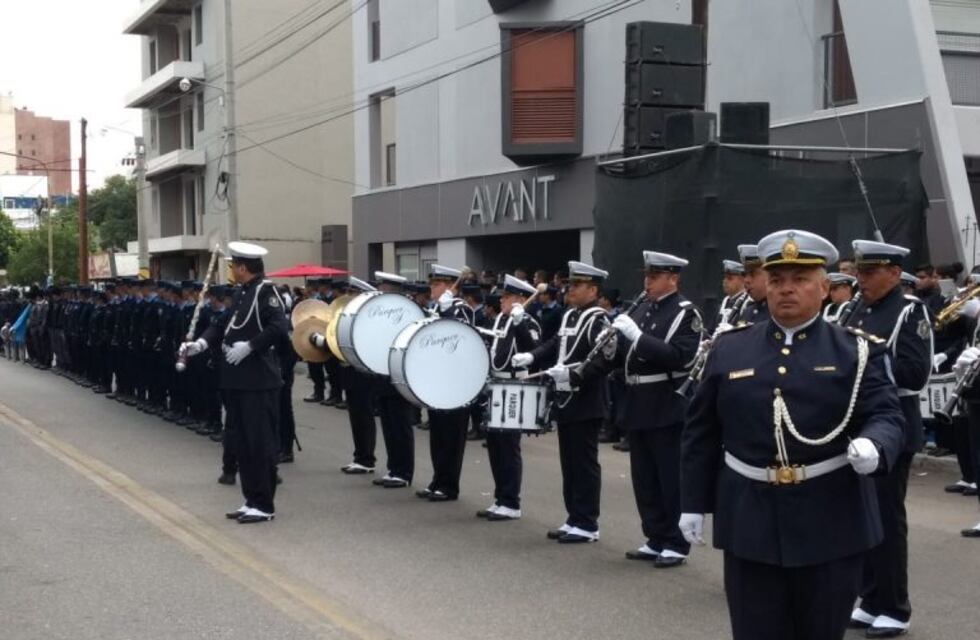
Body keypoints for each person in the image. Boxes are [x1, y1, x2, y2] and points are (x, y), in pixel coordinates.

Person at [680, 229, 905, 640]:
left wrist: (875, 444)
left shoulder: (856, 351)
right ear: (765, 286)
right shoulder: (728, 348)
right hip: (749, 519)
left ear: (825, 287)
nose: (787, 289)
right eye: (777, 279)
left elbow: (887, 413)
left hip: (830, 519)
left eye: (800, 279)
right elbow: (702, 432)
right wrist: (693, 502)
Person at [843, 239, 932, 638]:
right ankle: (870, 597)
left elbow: (915, 373)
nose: (860, 280)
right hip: (855, 424)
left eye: (869, 272)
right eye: (859, 272)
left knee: (887, 519)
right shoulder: (856, 308)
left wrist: (866, 365)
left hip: (891, 425)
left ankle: (895, 606)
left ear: (894, 274)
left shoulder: (909, 311)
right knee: (861, 516)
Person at [179, 241, 289, 524]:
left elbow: (279, 327)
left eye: (234, 266)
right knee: (242, 443)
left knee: (259, 443)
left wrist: (251, 346)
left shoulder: (267, 293)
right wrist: (201, 344)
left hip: (258, 380)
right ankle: (251, 499)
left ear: (243, 267)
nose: (232, 271)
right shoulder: (241, 293)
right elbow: (221, 324)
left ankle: (264, 504)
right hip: (237, 380)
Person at [611, 251, 703, 568]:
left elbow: (681, 357)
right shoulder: (642, 308)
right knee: (645, 478)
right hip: (638, 402)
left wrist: (638, 337)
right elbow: (625, 354)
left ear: (673, 279)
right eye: (646, 276)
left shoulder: (685, 313)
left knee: (669, 477)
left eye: (654, 276)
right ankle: (655, 536)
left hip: (665, 403)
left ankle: (676, 542)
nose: (647, 282)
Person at [513, 261, 614, 543]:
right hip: (566, 398)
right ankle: (574, 517)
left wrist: (574, 375)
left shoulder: (599, 319)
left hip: (587, 399)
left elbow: (604, 360)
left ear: (593, 290)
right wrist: (533, 356)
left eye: (577, 285)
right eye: (570, 284)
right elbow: (554, 344)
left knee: (584, 463)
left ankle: (588, 522)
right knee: (569, 463)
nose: (570, 289)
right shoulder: (570, 315)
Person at [478, 274, 542, 521]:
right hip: (497, 383)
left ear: (521, 299)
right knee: (495, 444)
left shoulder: (528, 322)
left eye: (507, 297)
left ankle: (511, 502)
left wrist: (520, 323)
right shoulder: (500, 320)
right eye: (502, 297)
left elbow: (532, 350)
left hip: (516, 385)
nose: (501, 301)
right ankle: (500, 498)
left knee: (508, 446)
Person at [416, 264, 476, 502]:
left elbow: (460, 338)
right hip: (437, 379)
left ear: (452, 286)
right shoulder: (437, 308)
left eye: (437, 284)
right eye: (432, 284)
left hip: (456, 382)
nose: (432, 288)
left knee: (452, 436)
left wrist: (448, 310)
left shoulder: (461, 309)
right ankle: (437, 480)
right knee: (438, 434)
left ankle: (449, 485)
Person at [367, 271, 417, 489]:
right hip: (383, 375)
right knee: (388, 424)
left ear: (391, 289)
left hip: (399, 375)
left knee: (400, 425)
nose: (379, 290)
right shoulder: (383, 312)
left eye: (383, 287)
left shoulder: (408, 311)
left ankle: (403, 472)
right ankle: (393, 468)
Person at [734, 244, 768, 324]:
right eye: (745, 274)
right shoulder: (747, 312)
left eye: (753, 274)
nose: (746, 280)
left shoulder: (779, 313)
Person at [717, 259, 747, 329]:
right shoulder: (725, 302)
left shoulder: (747, 303)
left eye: (730, 278)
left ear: (742, 280)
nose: (725, 281)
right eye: (724, 277)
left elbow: (742, 328)